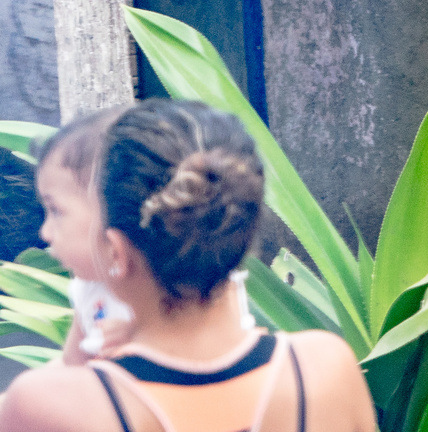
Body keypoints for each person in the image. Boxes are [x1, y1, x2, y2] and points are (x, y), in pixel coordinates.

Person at [0, 99, 376, 432]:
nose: (46, 230)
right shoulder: (324, 370)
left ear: (115, 251)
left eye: (55, 211)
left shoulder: (49, 407)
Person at [33, 109, 136, 363]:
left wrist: (144, 339)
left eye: (56, 211)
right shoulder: (90, 290)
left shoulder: (183, 287)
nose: (44, 233)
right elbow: (70, 367)